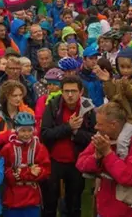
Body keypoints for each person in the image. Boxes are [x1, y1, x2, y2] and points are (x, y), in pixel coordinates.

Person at [76, 102, 132, 217]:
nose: (95, 127)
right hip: (105, 209)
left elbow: (129, 177)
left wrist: (107, 154)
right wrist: (96, 157)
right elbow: (80, 163)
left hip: (130, 212)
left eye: (100, 124)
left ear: (113, 124)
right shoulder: (103, 137)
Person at [38, 77, 96, 217]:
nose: (70, 95)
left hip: (76, 162)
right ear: (61, 92)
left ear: (81, 92)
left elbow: (93, 137)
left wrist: (76, 133)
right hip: (54, 161)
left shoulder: (88, 109)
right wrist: (68, 128)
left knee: (74, 205)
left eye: (74, 91)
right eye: (66, 91)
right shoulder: (53, 106)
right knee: (50, 203)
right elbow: (45, 134)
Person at [0, 112, 50, 217]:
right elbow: (4, 169)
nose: (26, 134)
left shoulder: (39, 147)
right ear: (16, 131)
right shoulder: (8, 148)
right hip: (13, 198)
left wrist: (22, 173)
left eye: (29, 130)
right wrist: (26, 172)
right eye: (23, 130)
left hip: (32, 197)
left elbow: (45, 169)